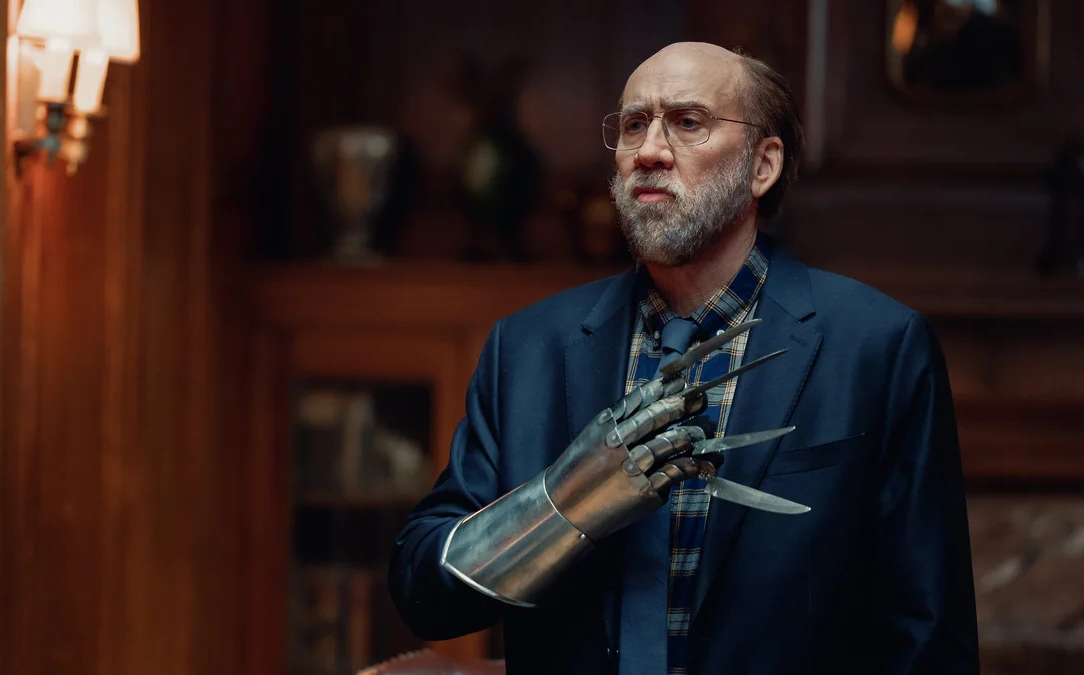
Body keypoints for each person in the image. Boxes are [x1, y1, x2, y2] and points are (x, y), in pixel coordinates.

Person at [389, 42, 979, 675]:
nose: (649, 151)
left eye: (688, 122)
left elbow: (929, 638)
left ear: (762, 165)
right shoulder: (527, 348)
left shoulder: (879, 346)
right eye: (634, 125)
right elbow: (426, 595)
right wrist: (564, 502)